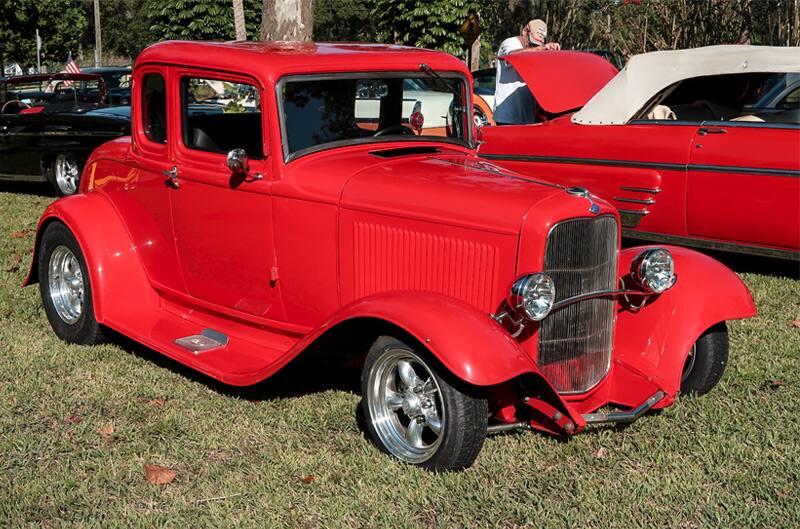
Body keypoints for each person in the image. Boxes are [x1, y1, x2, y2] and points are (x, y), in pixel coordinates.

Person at [493, 19, 560, 125]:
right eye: (532, 42)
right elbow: (512, 55)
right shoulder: (509, 43)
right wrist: (541, 48)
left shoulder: (534, 51)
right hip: (507, 117)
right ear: (525, 31)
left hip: (528, 117)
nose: (533, 46)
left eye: (538, 44)